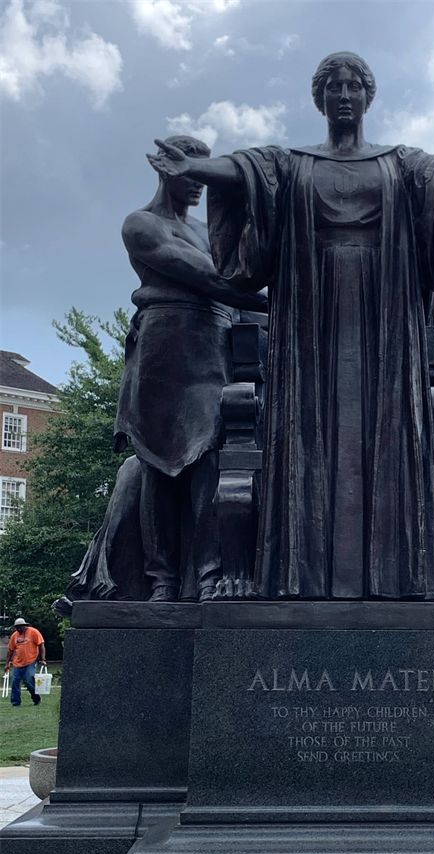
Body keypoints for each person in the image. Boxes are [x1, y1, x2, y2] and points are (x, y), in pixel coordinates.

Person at [147, 52, 434, 600]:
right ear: (320, 99)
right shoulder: (291, 162)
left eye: (354, 86)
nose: (344, 95)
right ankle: (299, 574)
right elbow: (246, 170)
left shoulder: (399, 164)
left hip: (385, 323)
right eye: (334, 87)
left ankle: (397, 574)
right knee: (307, 430)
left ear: (369, 97)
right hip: (311, 320)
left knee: (390, 430)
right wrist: (196, 169)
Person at [114, 134, 267, 602]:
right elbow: (211, 278)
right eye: (190, 171)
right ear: (165, 168)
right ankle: (161, 579)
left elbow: (242, 276)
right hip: (166, 345)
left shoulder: (207, 230)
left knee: (211, 459)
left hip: (213, 348)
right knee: (158, 463)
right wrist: (286, 303)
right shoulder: (140, 225)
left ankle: (208, 573)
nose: (200, 182)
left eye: (206, 172)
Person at [5, 618, 46, 707]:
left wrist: (43, 659)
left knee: (29, 680)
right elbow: (10, 650)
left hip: (31, 660)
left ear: (24, 626)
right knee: (15, 682)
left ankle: (36, 699)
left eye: (20, 627)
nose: (19, 629)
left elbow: (41, 645)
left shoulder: (34, 632)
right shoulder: (14, 636)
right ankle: (15, 702)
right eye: (17, 627)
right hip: (17, 663)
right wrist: (7, 663)